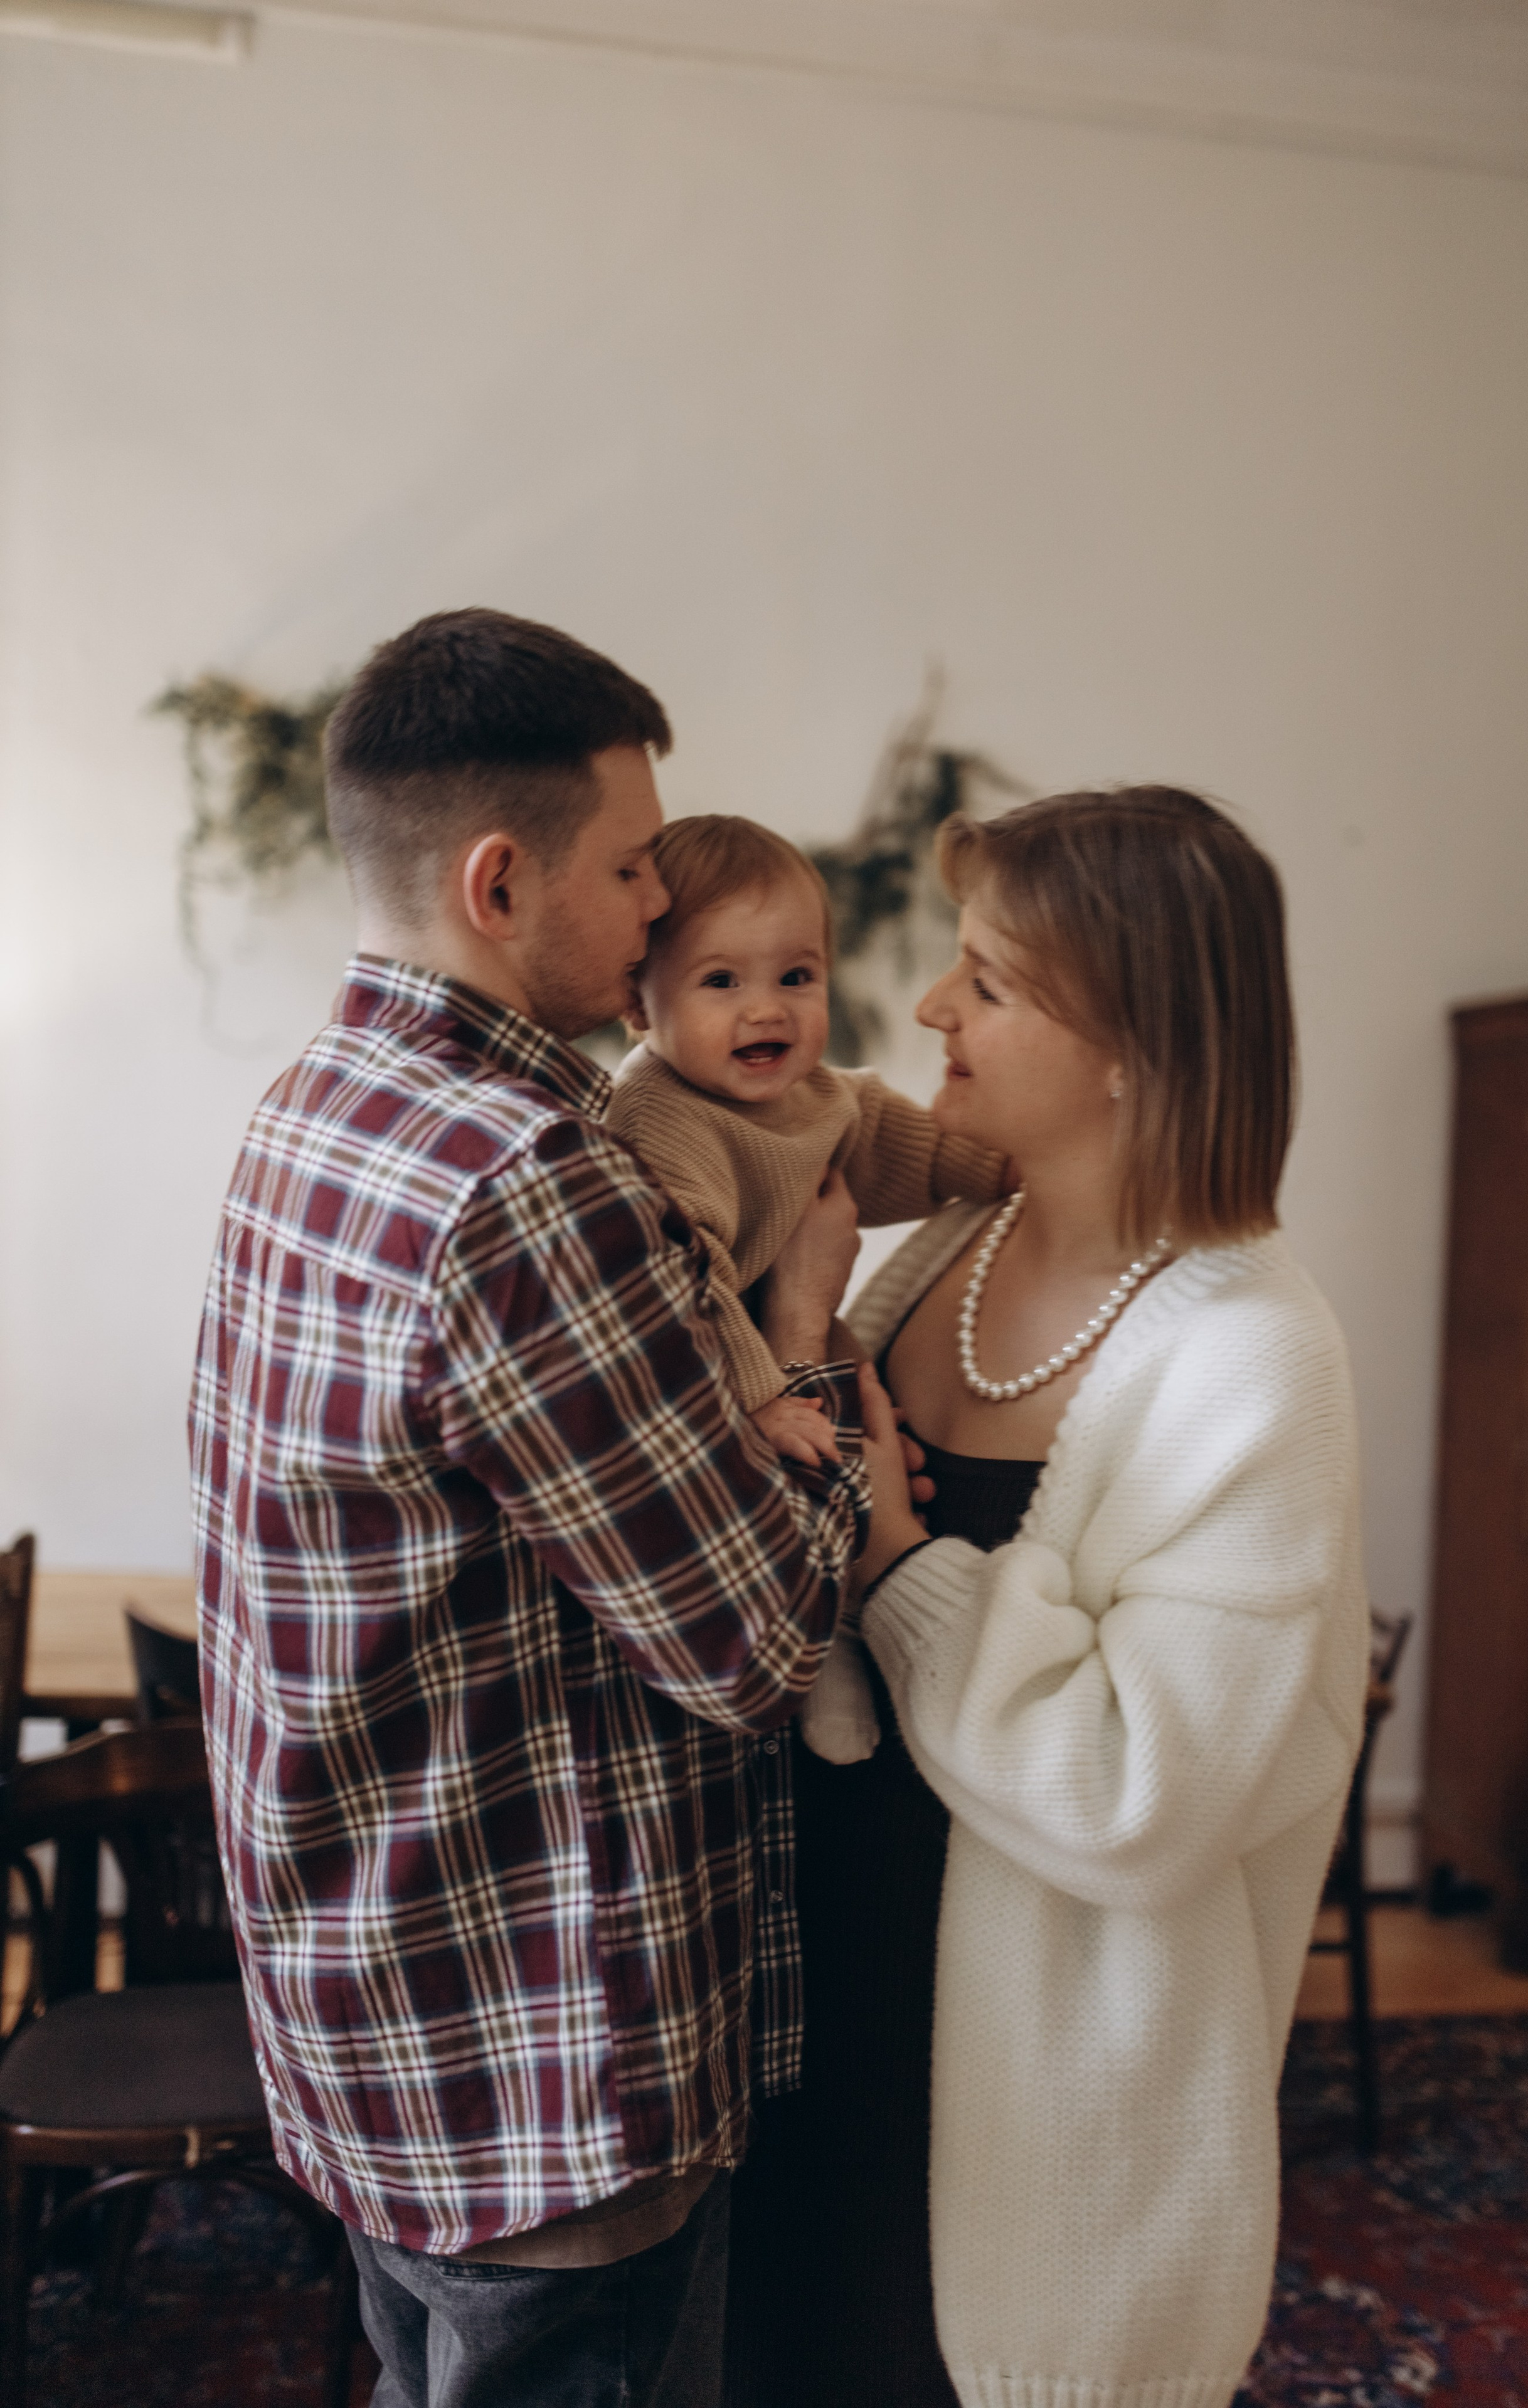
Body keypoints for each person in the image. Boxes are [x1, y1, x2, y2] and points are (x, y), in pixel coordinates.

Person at [188, 607, 884, 2408]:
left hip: (373, 2010)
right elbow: (743, 1640)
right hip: (544, 2072)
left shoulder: (312, 1115)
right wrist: (810, 1346)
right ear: (501, 882)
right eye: (637, 863)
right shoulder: (526, 1180)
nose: (667, 905)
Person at [726, 786, 1368, 2408]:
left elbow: (1141, 1796)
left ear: (1133, 1048)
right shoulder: (950, 1239)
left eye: (990, 984)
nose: (932, 1007)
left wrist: (902, 1566)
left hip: (1029, 2094)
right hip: (829, 2010)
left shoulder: (1252, 1356)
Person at [607, 811, 1008, 1763]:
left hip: (804, 1356)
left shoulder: (824, 1098)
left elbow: (915, 1153)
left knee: (871, 1475)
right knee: (814, 1500)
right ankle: (825, 1685)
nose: (768, 1011)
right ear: (638, 1005)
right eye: (720, 982)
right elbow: (690, 1282)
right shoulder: (660, 1117)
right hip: (717, 1375)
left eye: (796, 977)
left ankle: (865, 1650)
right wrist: (764, 1392)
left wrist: (1005, 1171)